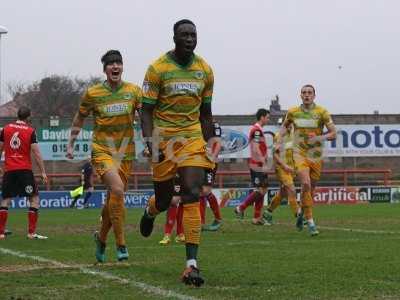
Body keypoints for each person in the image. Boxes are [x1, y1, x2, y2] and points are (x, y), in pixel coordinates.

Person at [140, 19, 218, 286]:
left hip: (192, 139)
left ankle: (191, 265)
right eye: (184, 34)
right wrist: (151, 141)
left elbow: (206, 114)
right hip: (163, 139)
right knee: (164, 201)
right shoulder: (157, 68)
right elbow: (146, 110)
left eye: (193, 34)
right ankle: (150, 211)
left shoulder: (205, 70)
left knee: (192, 193)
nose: (189, 38)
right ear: (174, 37)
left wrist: (210, 143)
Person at [66, 50, 142, 261]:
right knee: (117, 189)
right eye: (111, 64)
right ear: (105, 69)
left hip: (126, 153)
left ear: (122, 67)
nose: (115, 66)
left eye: (118, 63)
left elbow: (145, 117)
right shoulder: (93, 93)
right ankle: (121, 244)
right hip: (102, 150)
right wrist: (70, 143)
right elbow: (79, 119)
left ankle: (100, 239)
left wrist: (149, 141)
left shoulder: (134, 91)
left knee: (113, 198)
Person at [278, 84, 336, 236]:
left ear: (314, 95)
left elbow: (333, 134)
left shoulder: (322, 112)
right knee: (305, 183)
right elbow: (285, 126)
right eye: (304, 93)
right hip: (299, 153)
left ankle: (302, 215)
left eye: (309, 92)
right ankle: (311, 223)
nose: (306, 95)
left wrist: (318, 137)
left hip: (315, 155)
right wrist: (279, 139)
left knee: (310, 191)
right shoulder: (292, 112)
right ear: (300, 95)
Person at [0, 106, 48, 240]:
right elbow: (37, 153)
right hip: (25, 171)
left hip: (9, 170)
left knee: (5, 200)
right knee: (34, 199)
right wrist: (43, 172)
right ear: (28, 117)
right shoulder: (30, 131)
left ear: (17, 116)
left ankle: (1, 233)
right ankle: (31, 233)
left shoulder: (6, 129)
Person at [234, 109, 270, 225]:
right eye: (267, 117)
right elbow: (255, 148)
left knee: (262, 190)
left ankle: (256, 218)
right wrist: (263, 162)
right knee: (260, 190)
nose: (268, 120)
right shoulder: (257, 131)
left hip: (258, 163)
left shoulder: (258, 130)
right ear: (262, 117)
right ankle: (241, 208)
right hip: (257, 164)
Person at [263, 118, 301, 225]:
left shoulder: (293, 137)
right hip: (281, 168)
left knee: (283, 193)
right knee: (292, 189)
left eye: (291, 125)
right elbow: (275, 154)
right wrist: (284, 166)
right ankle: (298, 215)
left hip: (290, 168)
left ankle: (267, 213)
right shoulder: (278, 137)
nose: (289, 126)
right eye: (287, 124)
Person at [199, 121, 222, 231]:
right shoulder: (194, 124)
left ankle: (218, 218)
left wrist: (212, 157)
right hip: (198, 162)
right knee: (200, 191)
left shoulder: (215, 125)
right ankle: (201, 223)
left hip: (210, 162)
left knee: (205, 190)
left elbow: (218, 143)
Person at [159, 175, 185, 245]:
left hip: (181, 175)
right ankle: (173, 234)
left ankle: (176, 234)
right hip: (178, 175)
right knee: (177, 201)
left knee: (179, 201)